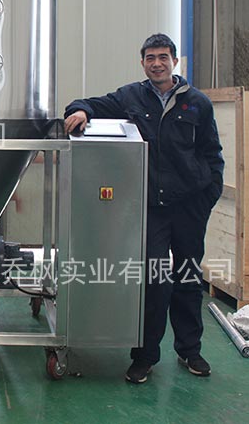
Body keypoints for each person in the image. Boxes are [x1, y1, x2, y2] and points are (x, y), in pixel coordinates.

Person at [64, 33, 224, 384]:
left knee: (187, 277)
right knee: (154, 280)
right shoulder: (131, 96)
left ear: (174, 61)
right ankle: (145, 356)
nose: (157, 64)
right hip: (152, 207)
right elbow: (91, 103)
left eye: (163, 57)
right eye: (150, 58)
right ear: (142, 63)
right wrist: (80, 110)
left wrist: (207, 195)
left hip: (189, 205)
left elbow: (212, 154)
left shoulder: (197, 103)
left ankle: (190, 350)